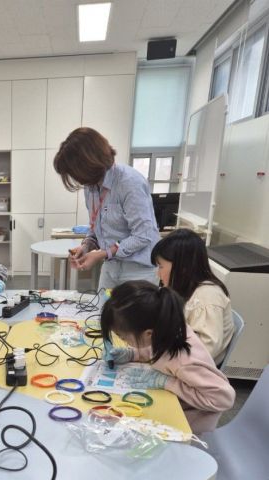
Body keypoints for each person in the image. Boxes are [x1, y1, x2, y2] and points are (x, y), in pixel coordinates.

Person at [101, 281, 235, 433]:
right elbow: (154, 351)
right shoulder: (166, 329)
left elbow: (224, 398)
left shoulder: (184, 361)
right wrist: (132, 354)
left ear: (148, 333)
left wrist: (168, 382)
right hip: (172, 403)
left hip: (186, 423)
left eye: (123, 337)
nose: (124, 341)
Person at [53, 127, 159, 290]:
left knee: (132, 308)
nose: (77, 179)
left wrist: (101, 254)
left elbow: (143, 235)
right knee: (103, 307)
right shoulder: (91, 187)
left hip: (138, 271)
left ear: (89, 163)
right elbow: (96, 227)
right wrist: (86, 246)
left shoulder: (129, 183)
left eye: (75, 172)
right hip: (111, 267)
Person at [151, 229, 234, 365]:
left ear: (182, 267)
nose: (158, 273)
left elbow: (206, 349)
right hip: (178, 359)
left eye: (161, 266)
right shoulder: (184, 289)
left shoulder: (207, 297)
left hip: (194, 368)